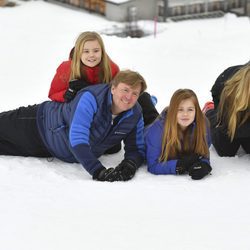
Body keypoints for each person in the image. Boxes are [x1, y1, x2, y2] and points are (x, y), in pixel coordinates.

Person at [0, 70, 147, 182]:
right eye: (125, 90)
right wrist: (98, 171)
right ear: (113, 88)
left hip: (50, 148)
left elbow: (136, 148)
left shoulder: (135, 115)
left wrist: (130, 164)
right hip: (39, 122)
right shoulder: (91, 98)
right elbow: (77, 138)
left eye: (135, 93)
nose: (129, 97)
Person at [48, 31, 159, 127]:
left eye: (96, 51)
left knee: (142, 98)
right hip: (82, 112)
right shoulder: (67, 68)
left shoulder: (111, 68)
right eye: (86, 51)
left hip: (107, 109)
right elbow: (53, 94)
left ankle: (158, 129)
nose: (91, 55)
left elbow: (119, 93)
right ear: (78, 52)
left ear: (102, 51)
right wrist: (67, 94)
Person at [145, 89, 212, 180]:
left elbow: (203, 154)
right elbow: (153, 165)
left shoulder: (203, 124)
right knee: (147, 111)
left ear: (196, 111)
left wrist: (204, 164)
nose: (185, 114)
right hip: (146, 129)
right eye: (180, 109)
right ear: (173, 111)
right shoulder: (157, 130)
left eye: (190, 109)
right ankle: (149, 100)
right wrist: (179, 165)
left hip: (169, 121)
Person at [203, 62, 250, 156]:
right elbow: (216, 92)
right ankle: (209, 111)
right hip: (230, 113)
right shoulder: (232, 82)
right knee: (226, 150)